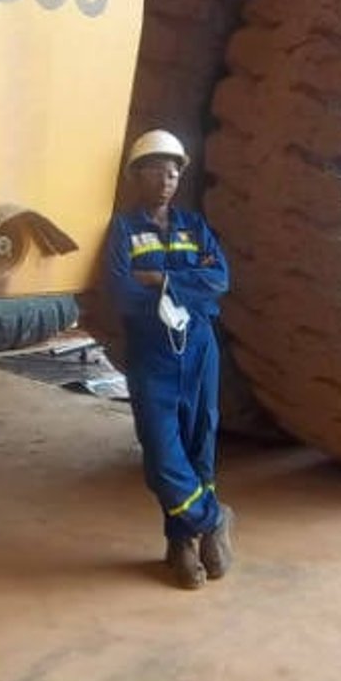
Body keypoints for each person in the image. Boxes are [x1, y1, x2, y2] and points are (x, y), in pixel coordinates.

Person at [105, 129, 233, 590]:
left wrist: (159, 278)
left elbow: (218, 278)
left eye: (175, 170)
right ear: (137, 175)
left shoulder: (194, 227)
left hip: (199, 346)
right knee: (162, 454)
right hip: (152, 353)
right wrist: (181, 282)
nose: (168, 178)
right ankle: (213, 519)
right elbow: (120, 290)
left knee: (200, 444)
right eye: (158, 169)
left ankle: (183, 543)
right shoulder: (122, 230)